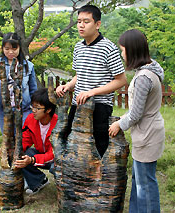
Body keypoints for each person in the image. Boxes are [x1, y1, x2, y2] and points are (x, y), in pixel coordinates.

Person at [56, 5, 127, 157]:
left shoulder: (108, 48)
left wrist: (91, 92)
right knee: (73, 141)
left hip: (100, 106)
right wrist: (67, 86)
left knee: (98, 147)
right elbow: (79, 75)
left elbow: (121, 80)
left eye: (86, 21)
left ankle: (98, 179)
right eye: (79, 21)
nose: (81, 25)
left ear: (97, 24)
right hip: (78, 103)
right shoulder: (78, 47)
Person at [109, 29, 165, 213]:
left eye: (123, 50)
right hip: (148, 131)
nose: (122, 54)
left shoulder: (143, 78)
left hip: (147, 133)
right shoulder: (151, 68)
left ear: (132, 50)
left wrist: (118, 124)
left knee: (145, 185)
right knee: (139, 180)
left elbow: (136, 114)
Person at [0, 32, 37, 133]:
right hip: (4, 110)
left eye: (14, 49)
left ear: (19, 48)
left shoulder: (28, 66)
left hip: (24, 110)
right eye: (7, 49)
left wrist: (34, 107)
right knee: (7, 142)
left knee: (22, 141)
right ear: (2, 48)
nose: (10, 52)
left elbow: (33, 89)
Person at [14, 88, 58, 195]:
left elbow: (54, 153)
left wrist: (33, 160)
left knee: (56, 167)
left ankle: (66, 190)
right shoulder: (30, 119)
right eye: (32, 106)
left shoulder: (59, 123)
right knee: (21, 155)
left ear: (48, 110)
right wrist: (13, 150)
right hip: (41, 154)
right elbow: (25, 140)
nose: (33, 110)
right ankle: (38, 181)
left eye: (37, 108)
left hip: (56, 158)